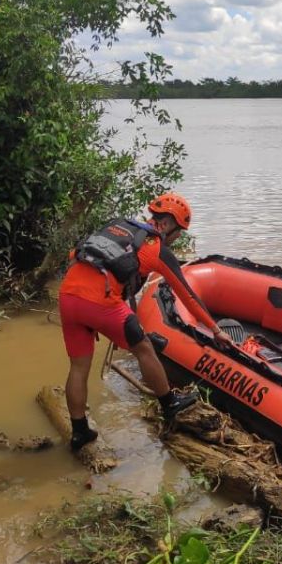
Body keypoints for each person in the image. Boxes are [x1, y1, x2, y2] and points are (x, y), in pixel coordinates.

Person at [58, 192, 232, 452]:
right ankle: (170, 404)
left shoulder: (117, 226)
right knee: (144, 349)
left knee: (79, 367)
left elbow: (78, 255)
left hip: (68, 297)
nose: (176, 239)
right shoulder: (155, 247)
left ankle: (79, 432)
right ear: (168, 225)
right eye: (179, 233)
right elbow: (188, 294)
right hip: (102, 302)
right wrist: (217, 331)